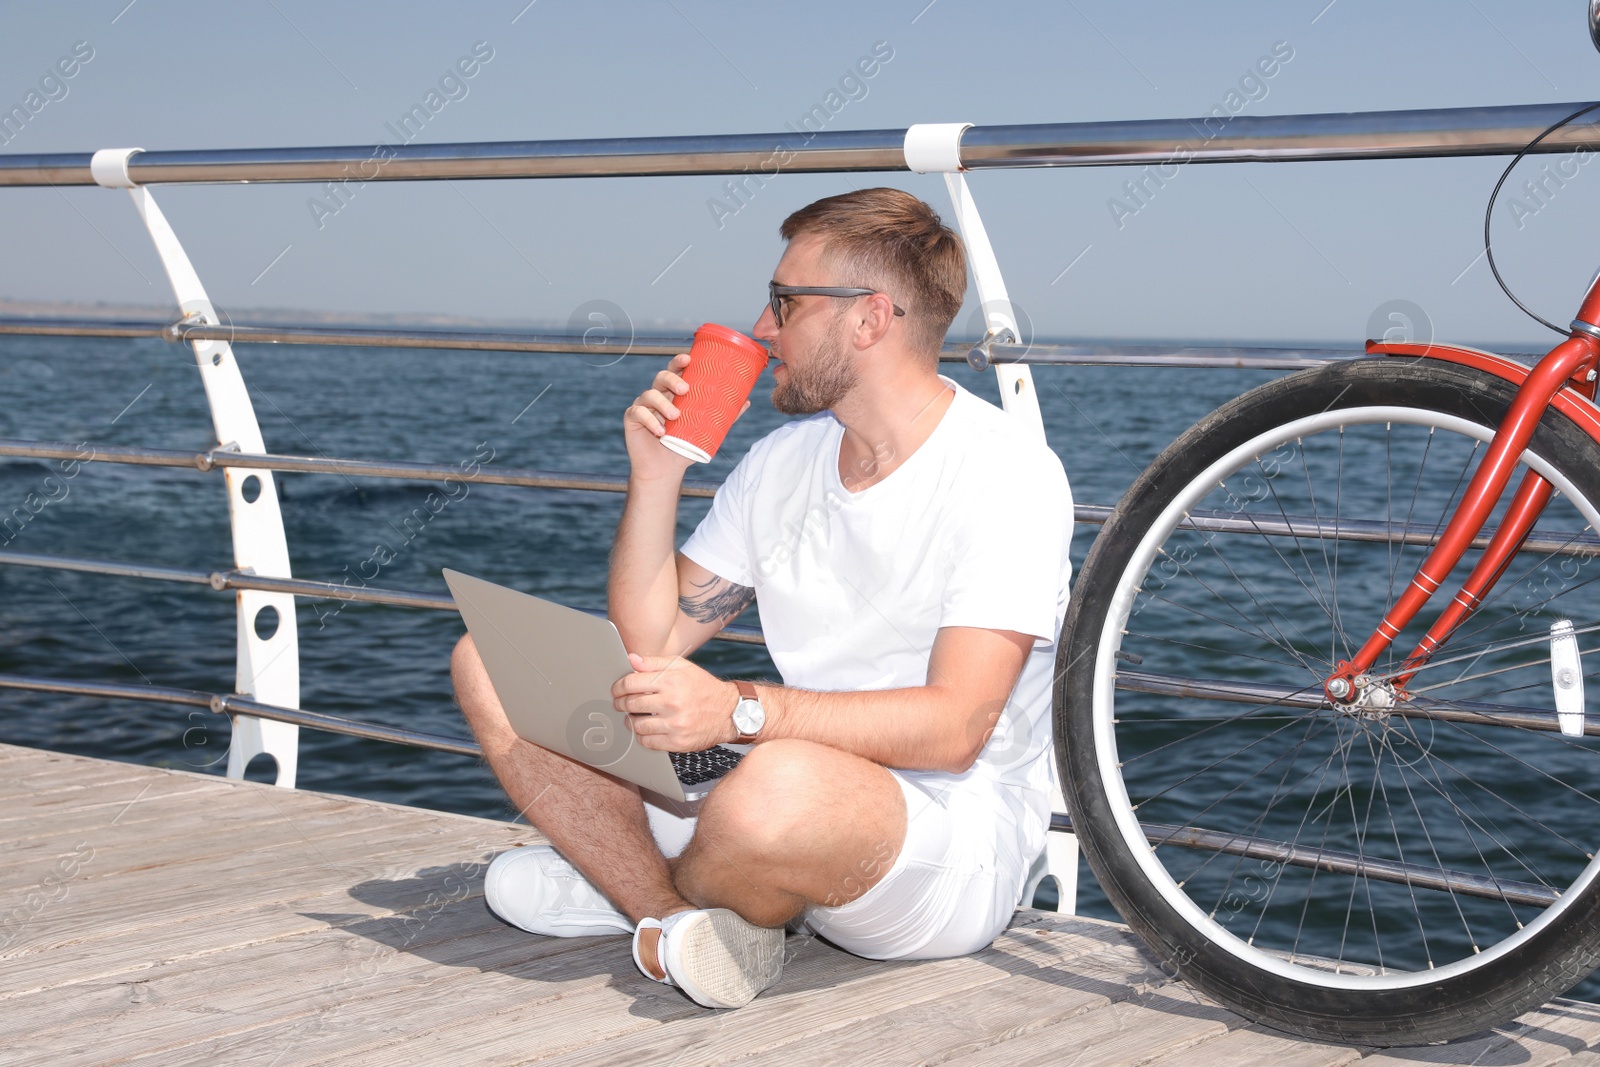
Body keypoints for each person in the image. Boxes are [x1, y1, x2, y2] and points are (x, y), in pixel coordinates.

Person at [451, 187, 1073, 1010]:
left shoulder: (1005, 472)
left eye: (785, 300)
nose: (762, 327)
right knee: (492, 660)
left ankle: (628, 882)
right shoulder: (785, 459)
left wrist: (740, 712)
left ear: (870, 318)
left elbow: (955, 730)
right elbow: (650, 642)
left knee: (773, 792)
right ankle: (670, 917)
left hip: (940, 834)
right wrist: (657, 474)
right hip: (758, 772)